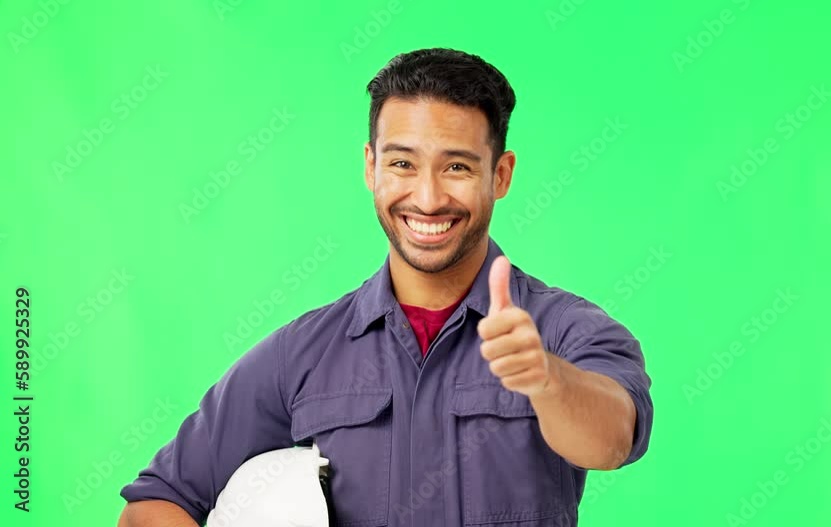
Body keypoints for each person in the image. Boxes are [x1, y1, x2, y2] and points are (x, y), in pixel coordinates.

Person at [118, 47, 653, 527]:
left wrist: (546, 379)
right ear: (371, 167)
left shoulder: (565, 331)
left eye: (458, 167)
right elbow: (156, 503)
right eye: (402, 163)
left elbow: (611, 439)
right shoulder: (301, 354)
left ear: (501, 175)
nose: (427, 197)